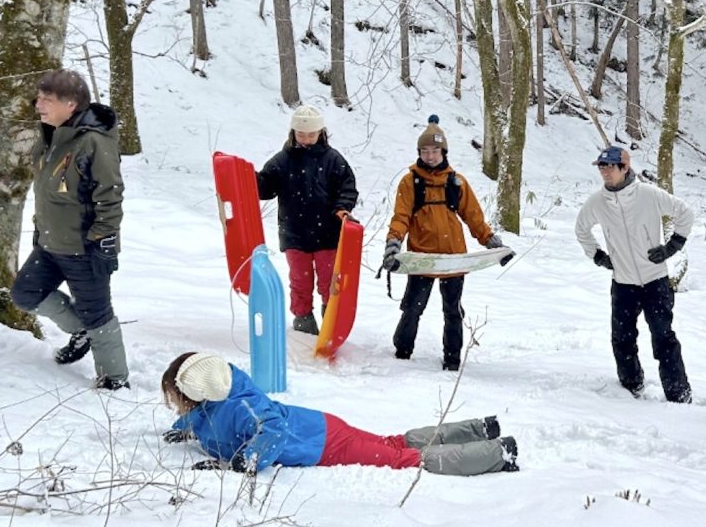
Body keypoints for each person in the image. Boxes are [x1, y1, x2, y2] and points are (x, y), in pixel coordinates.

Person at [161, 352, 517, 475]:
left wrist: (244, 462)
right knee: (392, 443)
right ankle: (479, 429)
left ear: (194, 393)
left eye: (176, 399)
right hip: (322, 425)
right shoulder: (215, 398)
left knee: (403, 459)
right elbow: (202, 419)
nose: (177, 407)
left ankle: (496, 453)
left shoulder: (243, 405)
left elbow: (274, 433)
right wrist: (183, 428)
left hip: (325, 444)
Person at [9, 69, 129, 389]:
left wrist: (102, 241)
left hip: (85, 247)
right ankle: (81, 331)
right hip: (50, 245)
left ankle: (114, 380)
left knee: (98, 314)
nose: (38, 105)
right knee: (25, 293)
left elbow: (110, 195)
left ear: (71, 104)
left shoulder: (93, 142)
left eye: (47, 99)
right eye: (39, 98)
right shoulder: (51, 136)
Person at [381, 116, 511, 371]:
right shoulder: (410, 182)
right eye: (425, 151)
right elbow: (401, 217)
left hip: (454, 258)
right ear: (419, 152)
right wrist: (393, 242)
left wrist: (490, 241)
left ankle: (452, 359)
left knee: (452, 310)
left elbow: (473, 217)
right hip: (422, 257)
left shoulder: (456, 181)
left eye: (435, 150)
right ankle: (402, 351)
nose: (430, 156)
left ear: (443, 152)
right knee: (413, 308)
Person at [574, 146, 694, 403]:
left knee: (663, 338)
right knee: (622, 339)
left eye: (609, 167)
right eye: (601, 167)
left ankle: (679, 394)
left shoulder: (648, 194)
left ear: (625, 168)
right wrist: (598, 256)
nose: (604, 172)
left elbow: (685, 213)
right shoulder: (597, 202)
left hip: (655, 282)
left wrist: (672, 246)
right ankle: (631, 387)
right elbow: (581, 229)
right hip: (623, 283)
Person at [256, 104, 359, 335]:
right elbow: (265, 188)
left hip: (327, 233)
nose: (306, 139)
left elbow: (347, 187)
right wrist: (250, 179)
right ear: (293, 133)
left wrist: (343, 208)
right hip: (294, 233)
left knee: (328, 280)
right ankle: (303, 319)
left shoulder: (333, 159)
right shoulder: (282, 160)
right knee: (300, 281)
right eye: (301, 134)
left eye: (311, 134)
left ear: (321, 133)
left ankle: (330, 317)